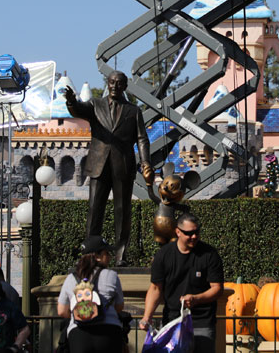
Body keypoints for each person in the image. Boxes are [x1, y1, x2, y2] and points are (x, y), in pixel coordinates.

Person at [63, 70, 154, 264]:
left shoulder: (133, 111)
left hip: (123, 166)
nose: (114, 86)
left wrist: (145, 161)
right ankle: (90, 254)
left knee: (123, 211)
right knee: (95, 209)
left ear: (124, 87)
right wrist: (71, 101)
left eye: (119, 83)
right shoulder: (96, 105)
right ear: (108, 83)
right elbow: (78, 110)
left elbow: (142, 138)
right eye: (111, 82)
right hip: (99, 164)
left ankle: (120, 255)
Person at [141, 214, 224, 353]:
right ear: (177, 232)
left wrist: (196, 299)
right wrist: (146, 317)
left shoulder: (209, 254)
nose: (194, 236)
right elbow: (155, 288)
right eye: (189, 233)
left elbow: (217, 288)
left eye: (196, 232)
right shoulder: (164, 255)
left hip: (201, 322)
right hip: (172, 322)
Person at [57, 236, 124, 353]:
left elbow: (61, 311)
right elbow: (119, 306)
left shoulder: (70, 279)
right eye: (106, 253)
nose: (109, 256)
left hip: (79, 334)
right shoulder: (112, 275)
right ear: (97, 256)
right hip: (109, 332)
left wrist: (82, 313)